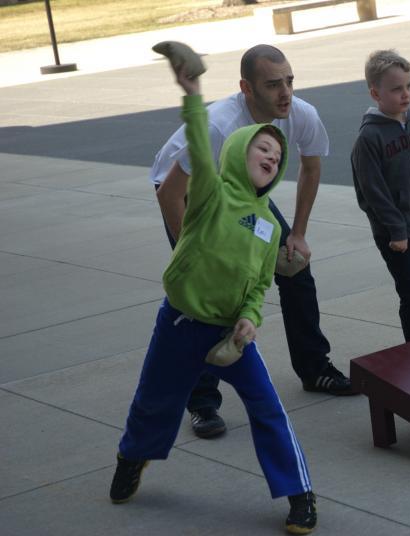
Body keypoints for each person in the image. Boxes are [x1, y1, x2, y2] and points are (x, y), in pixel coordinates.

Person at [111, 58, 317, 535]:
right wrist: (191, 92)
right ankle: (132, 456)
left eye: (276, 155)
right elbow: (200, 149)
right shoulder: (211, 195)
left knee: (268, 408)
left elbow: (262, 284)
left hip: (231, 333)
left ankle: (299, 493)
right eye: (260, 148)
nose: (270, 156)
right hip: (180, 322)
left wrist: (250, 318)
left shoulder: (268, 225)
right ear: (237, 153)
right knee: (154, 400)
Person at [150, 44, 354, 440]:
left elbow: (311, 167)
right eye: (273, 84)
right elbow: (171, 193)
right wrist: (192, 254)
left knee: (295, 267)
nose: (285, 93)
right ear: (246, 88)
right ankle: (202, 403)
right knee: (203, 298)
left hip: (243, 189)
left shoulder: (301, 114)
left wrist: (297, 233)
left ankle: (315, 368)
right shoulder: (219, 127)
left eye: (290, 81)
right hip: (186, 188)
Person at [350, 50, 410, 342]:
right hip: (395, 238)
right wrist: (396, 229)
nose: (405, 95)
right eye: (396, 89)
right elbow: (371, 192)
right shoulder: (369, 139)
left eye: (408, 86)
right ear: (375, 93)